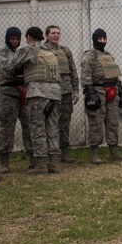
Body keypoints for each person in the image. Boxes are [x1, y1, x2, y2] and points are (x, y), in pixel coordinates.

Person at [9, 27, 62, 174]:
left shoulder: (29, 49)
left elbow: (10, 65)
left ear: (29, 38)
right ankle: (54, 164)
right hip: (55, 94)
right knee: (52, 128)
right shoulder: (50, 51)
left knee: (37, 128)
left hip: (38, 93)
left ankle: (41, 165)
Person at [81, 28, 122, 163]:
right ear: (94, 39)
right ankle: (94, 154)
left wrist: (121, 91)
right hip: (97, 91)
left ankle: (114, 152)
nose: (102, 41)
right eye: (100, 39)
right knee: (96, 123)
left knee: (113, 122)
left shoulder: (108, 56)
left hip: (112, 90)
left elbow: (115, 74)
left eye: (104, 39)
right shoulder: (89, 56)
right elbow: (85, 75)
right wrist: (90, 92)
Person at [0, 27, 32, 173]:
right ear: (7, 39)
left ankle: (33, 157)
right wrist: (17, 69)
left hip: (24, 92)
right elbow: (5, 67)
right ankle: (4, 161)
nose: (15, 42)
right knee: (6, 128)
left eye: (17, 39)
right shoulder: (1, 52)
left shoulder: (23, 51)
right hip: (7, 93)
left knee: (29, 125)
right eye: (12, 39)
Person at [45, 25, 80, 163]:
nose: (56, 35)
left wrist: (76, 90)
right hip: (49, 93)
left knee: (64, 123)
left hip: (65, 92)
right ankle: (50, 153)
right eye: (53, 33)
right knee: (49, 124)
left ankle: (64, 153)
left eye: (58, 33)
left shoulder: (65, 51)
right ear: (47, 35)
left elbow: (73, 71)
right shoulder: (42, 51)